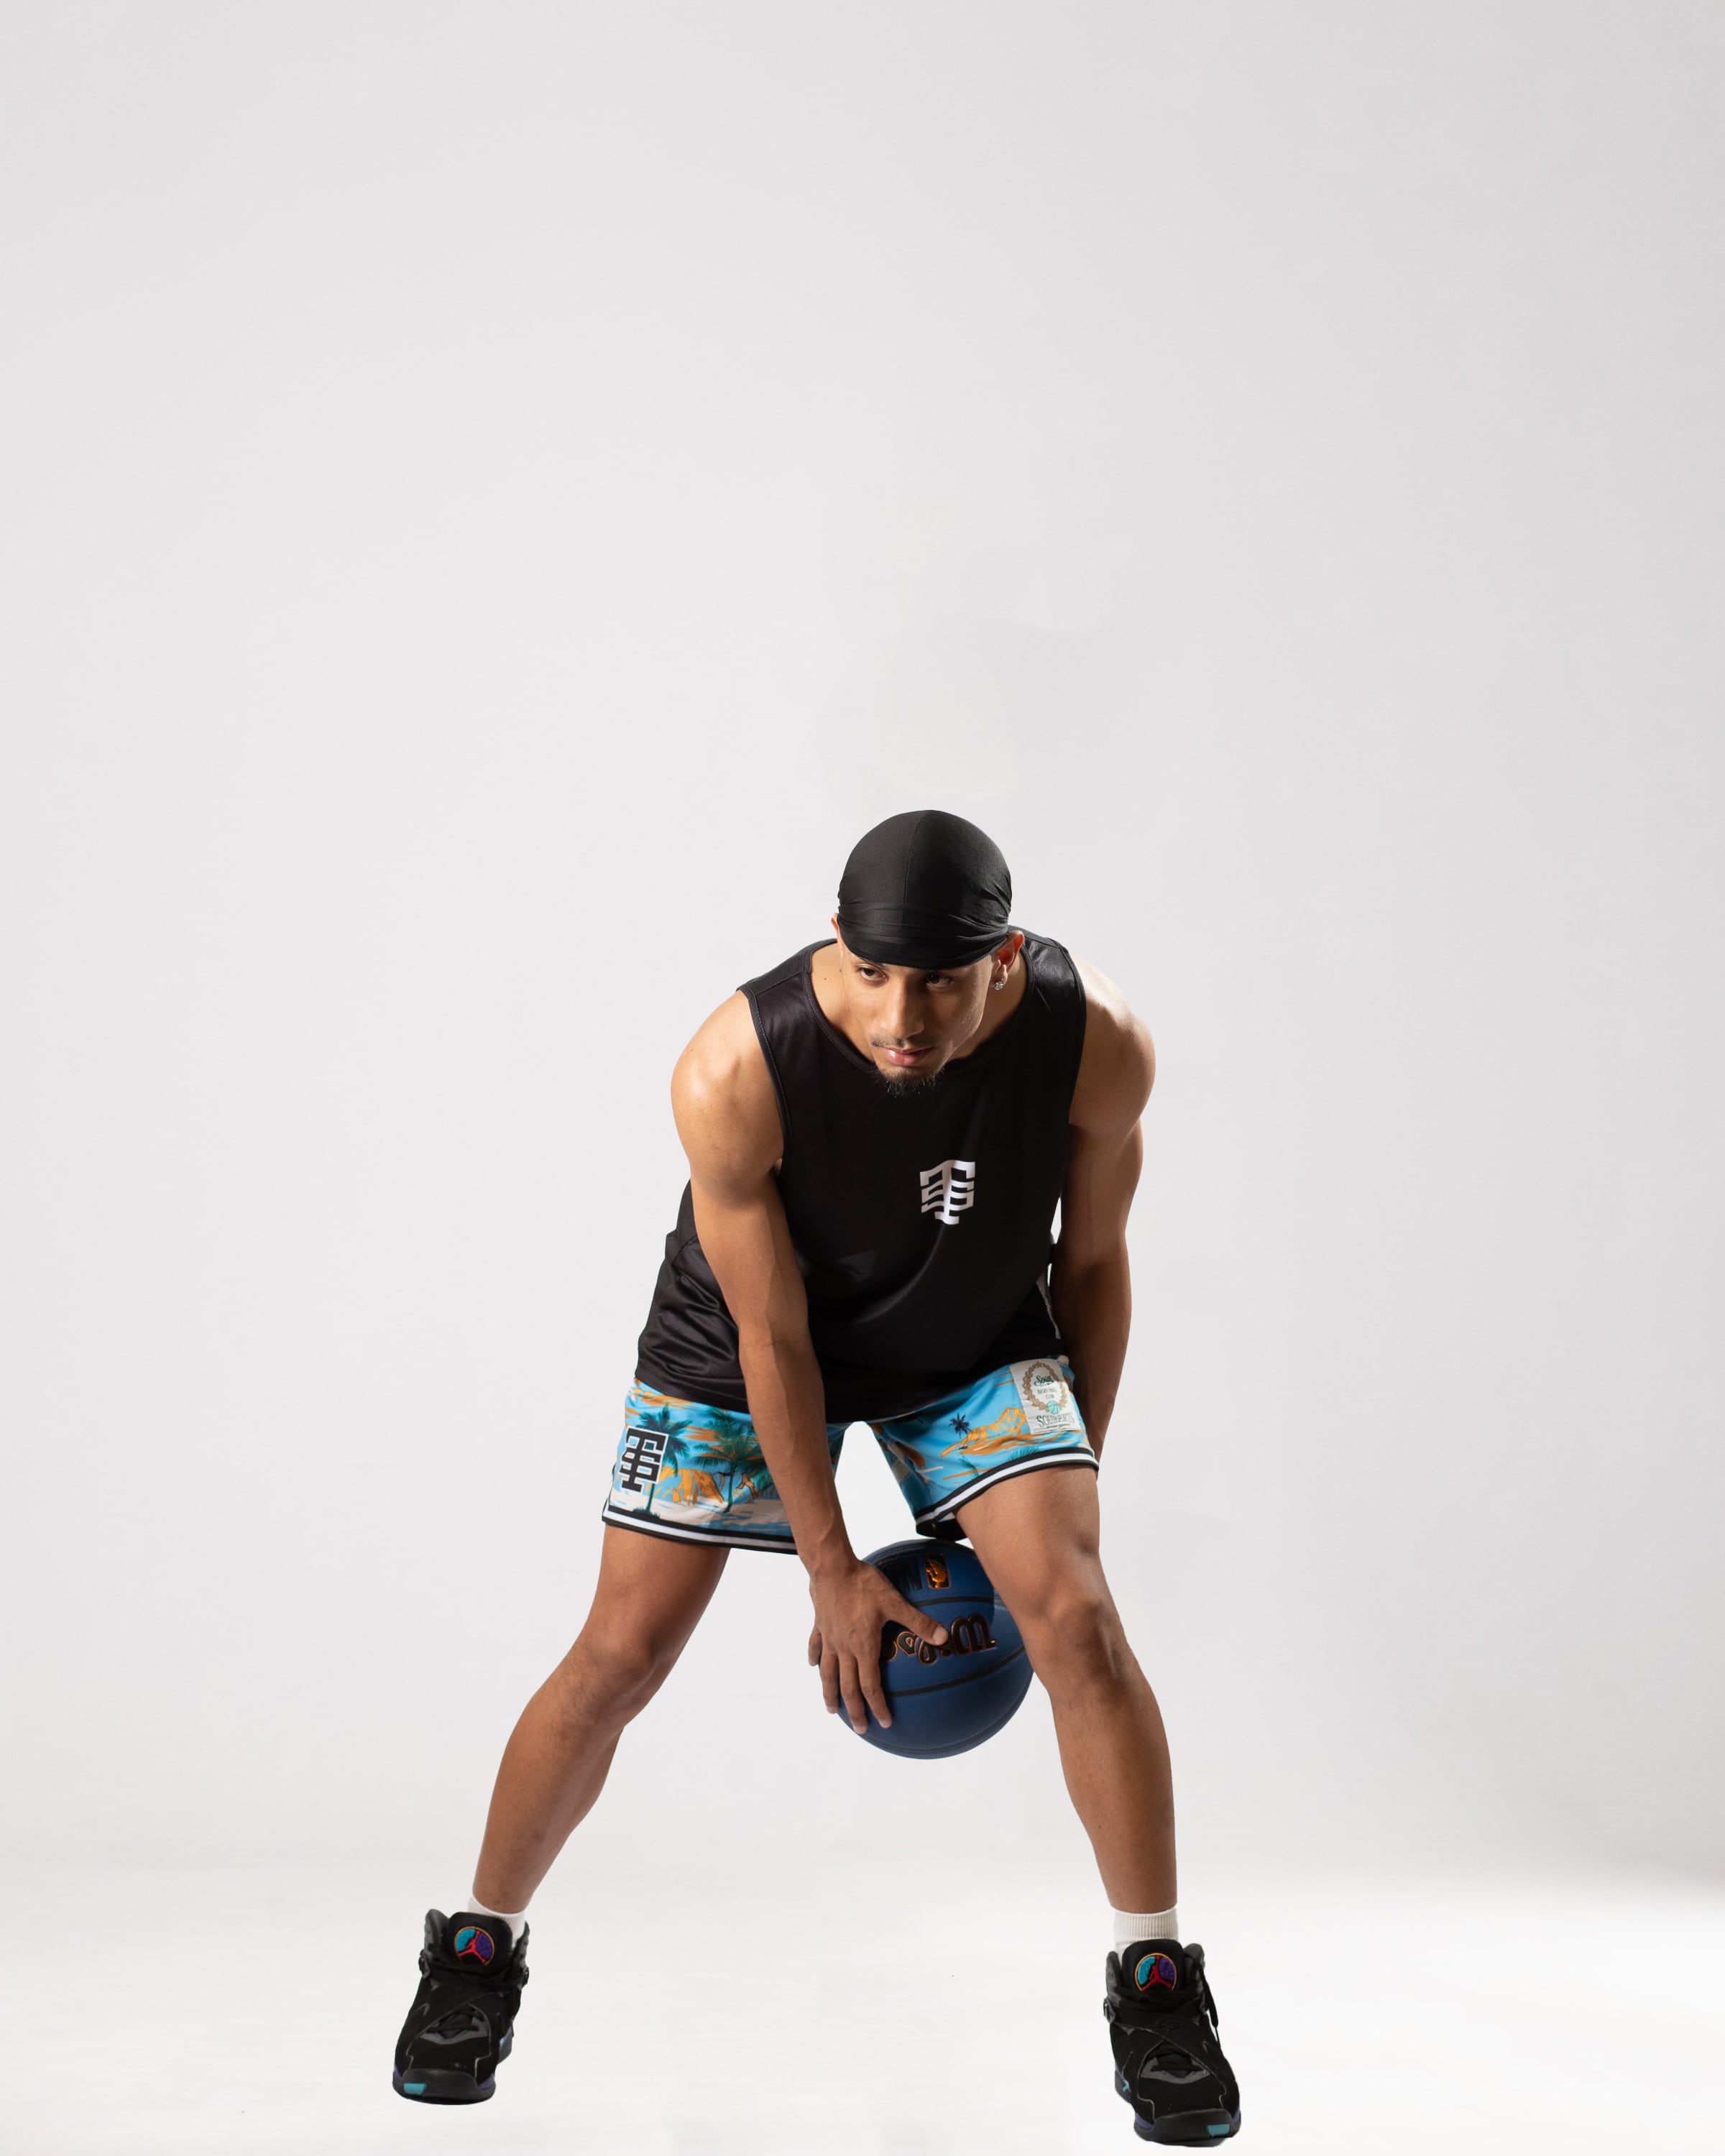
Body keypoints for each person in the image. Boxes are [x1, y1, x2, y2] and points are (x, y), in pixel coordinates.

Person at [392, 809, 1242, 2145]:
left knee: (1077, 1617)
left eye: (941, 984)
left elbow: (1092, 1263)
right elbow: (774, 1340)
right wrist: (832, 1570)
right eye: (875, 974)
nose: (904, 1018)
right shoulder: (734, 1068)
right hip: (749, 1343)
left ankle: (1157, 1986)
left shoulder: (1096, 1041)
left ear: (1004, 959)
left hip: (968, 1334)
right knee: (622, 1650)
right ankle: (475, 1955)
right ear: (836, 940)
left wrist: (1069, 1471)